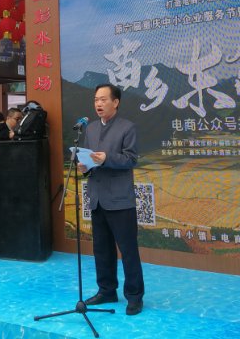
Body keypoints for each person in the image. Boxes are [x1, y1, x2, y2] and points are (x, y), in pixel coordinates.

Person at [78, 83, 144, 316]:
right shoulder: (91, 129)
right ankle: (106, 290)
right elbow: (89, 160)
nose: (98, 104)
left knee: (128, 250)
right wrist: (85, 166)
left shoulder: (127, 127)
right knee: (102, 249)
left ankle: (134, 296)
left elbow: (131, 159)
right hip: (97, 198)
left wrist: (107, 158)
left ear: (115, 102)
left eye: (103, 99)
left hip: (120, 200)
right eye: (96, 99)